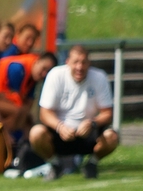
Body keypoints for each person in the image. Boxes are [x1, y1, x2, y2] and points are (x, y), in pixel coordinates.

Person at [29, 46, 117, 180]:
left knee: (112, 137)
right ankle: (54, 164)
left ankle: (91, 164)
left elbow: (108, 113)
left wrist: (92, 123)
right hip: (60, 134)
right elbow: (44, 113)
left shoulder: (99, 77)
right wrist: (60, 127)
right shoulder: (55, 75)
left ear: (89, 63)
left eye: (83, 62)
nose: (79, 67)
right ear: (67, 62)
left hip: (87, 133)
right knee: (36, 133)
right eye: (76, 62)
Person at [0, 51, 57, 137]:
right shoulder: (17, 68)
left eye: (47, 72)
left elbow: (28, 104)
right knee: (18, 112)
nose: (44, 74)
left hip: (4, 100)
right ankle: (2, 135)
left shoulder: (34, 77)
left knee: (26, 116)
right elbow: (15, 100)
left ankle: (13, 138)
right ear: (37, 61)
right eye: (43, 68)